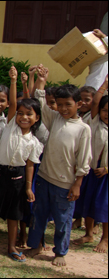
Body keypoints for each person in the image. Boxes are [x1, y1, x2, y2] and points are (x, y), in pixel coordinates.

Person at [25, 66, 92, 267]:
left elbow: (83, 160)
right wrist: (42, 81)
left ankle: (60, 252)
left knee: (62, 220)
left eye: (68, 105)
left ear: (78, 104)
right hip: (44, 178)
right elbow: (42, 105)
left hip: (65, 184)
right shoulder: (55, 119)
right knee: (39, 214)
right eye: (60, 105)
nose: (63, 109)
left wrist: (77, 183)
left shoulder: (83, 129)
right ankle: (35, 244)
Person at [0, 66, 43, 263]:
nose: (24, 117)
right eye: (21, 113)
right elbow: (14, 103)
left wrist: (28, 187)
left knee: (14, 216)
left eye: (29, 114)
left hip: (18, 178)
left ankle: (11, 246)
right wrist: (14, 81)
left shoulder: (34, 142)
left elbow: (30, 165)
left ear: (37, 118)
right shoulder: (10, 126)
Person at [72, 75, 108, 253]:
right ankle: (88, 233)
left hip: (106, 174)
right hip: (92, 171)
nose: (107, 114)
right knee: (89, 202)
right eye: (105, 110)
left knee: (104, 206)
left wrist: (106, 168)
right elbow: (95, 103)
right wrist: (105, 84)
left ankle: (105, 238)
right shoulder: (95, 123)